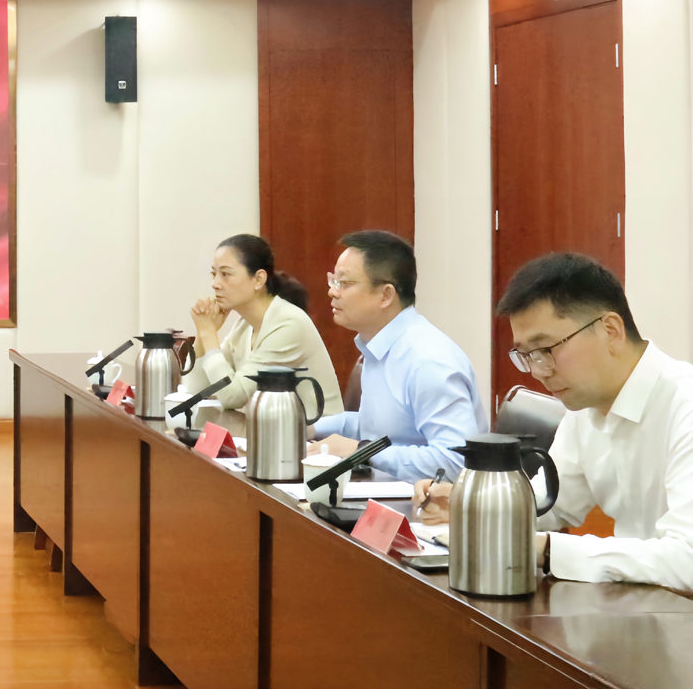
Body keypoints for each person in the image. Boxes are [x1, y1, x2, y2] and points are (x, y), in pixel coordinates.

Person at [417, 253, 693, 593]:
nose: (538, 371)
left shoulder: (684, 405)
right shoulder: (585, 406)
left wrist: (547, 550)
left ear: (610, 330)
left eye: (546, 349)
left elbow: (688, 559)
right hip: (640, 601)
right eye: (527, 356)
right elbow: (553, 502)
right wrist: (477, 505)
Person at [307, 229, 482, 479]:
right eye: (333, 281)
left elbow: (455, 461)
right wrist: (310, 429)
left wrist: (360, 452)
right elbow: (376, 428)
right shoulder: (380, 347)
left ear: (385, 295)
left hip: (426, 501)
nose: (332, 292)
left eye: (344, 283)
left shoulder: (428, 361)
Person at [180, 233, 343, 417]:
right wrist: (203, 333)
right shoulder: (244, 325)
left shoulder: (289, 324)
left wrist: (209, 332)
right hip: (271, 428)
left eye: (225, 274)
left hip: (315, 432)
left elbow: (232, 396)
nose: (215, 284)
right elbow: (197, 389)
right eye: (214, 274)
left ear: (258, 279)